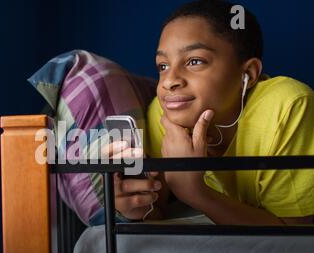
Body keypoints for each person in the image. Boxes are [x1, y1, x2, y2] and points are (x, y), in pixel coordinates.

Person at [103, 0, 314, 225]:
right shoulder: (163, 112)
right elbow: (157, 213)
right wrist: (136, 207)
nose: (170, 81)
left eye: (195, 61)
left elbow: (296, 238)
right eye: (162, 66)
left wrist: (195, 193)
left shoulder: (287, 106)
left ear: (248, 74)